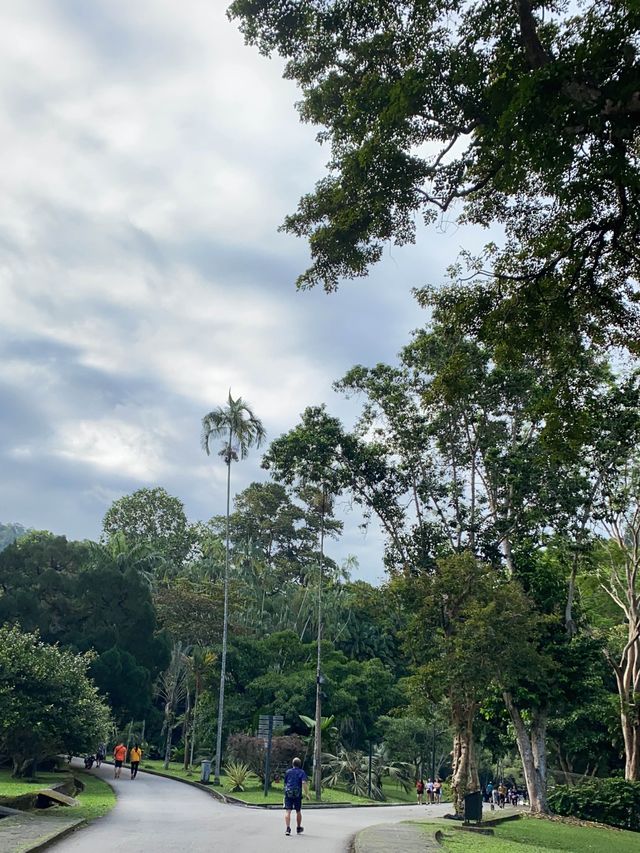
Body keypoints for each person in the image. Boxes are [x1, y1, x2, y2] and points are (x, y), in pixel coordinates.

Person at [283, 757, 309, 836]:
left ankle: (288, 828)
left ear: (292, 764)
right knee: (298, 811)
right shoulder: (302, 772)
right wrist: (306, 794)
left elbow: (285, 783)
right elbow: (304, 783)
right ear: (299, 764)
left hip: (288, 793)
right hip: (298, 794)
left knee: (288, 811)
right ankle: (298, 827)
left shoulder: (288, 772)